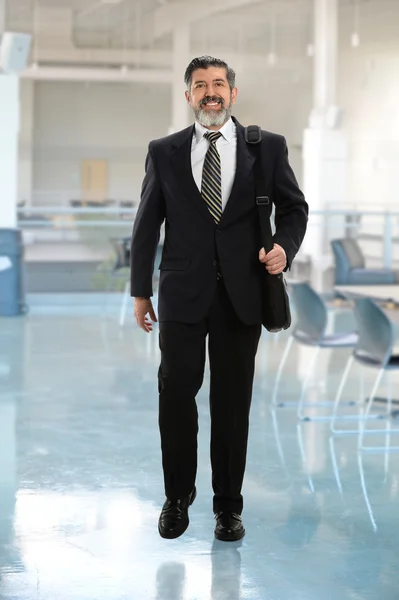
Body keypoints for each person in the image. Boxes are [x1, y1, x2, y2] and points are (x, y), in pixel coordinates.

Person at [130, 56, 308, 542]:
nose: (211, 92)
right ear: (188, 95)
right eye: (201, 85)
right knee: (176, 397)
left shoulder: (267, 148)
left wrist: (283, 250)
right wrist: (140, 291)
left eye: (219, 84)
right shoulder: (163, 151)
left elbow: (295, 209)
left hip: (241, 296)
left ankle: (228, 507)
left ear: (232, 93)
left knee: (232, 404)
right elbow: (146, 226)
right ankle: (177, 497)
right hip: (182, 296)